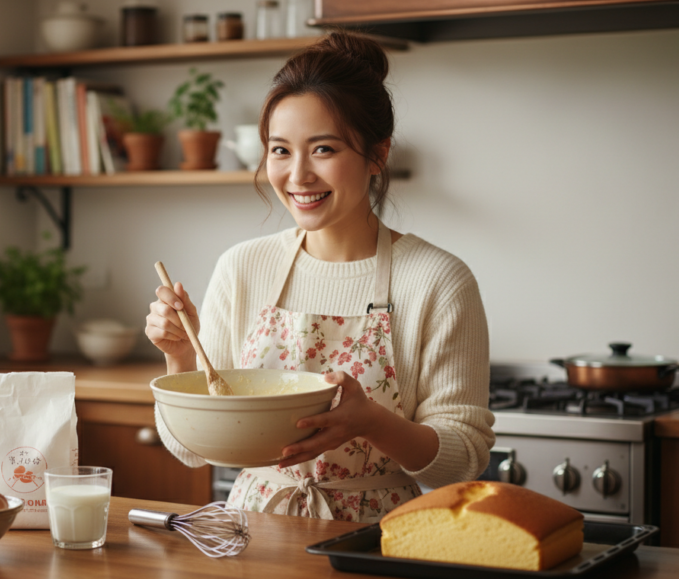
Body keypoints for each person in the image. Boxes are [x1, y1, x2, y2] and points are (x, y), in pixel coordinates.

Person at [144, 32, 495, 523]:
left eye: (323, 149)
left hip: (375, 541)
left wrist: (371, 423)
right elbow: (193, 451)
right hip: (254, 533)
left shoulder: (438, 280)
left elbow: (463, 461)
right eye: (280, 151)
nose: (298, 175)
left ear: (378, 155)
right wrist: (179, 354)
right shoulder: (243, 268)